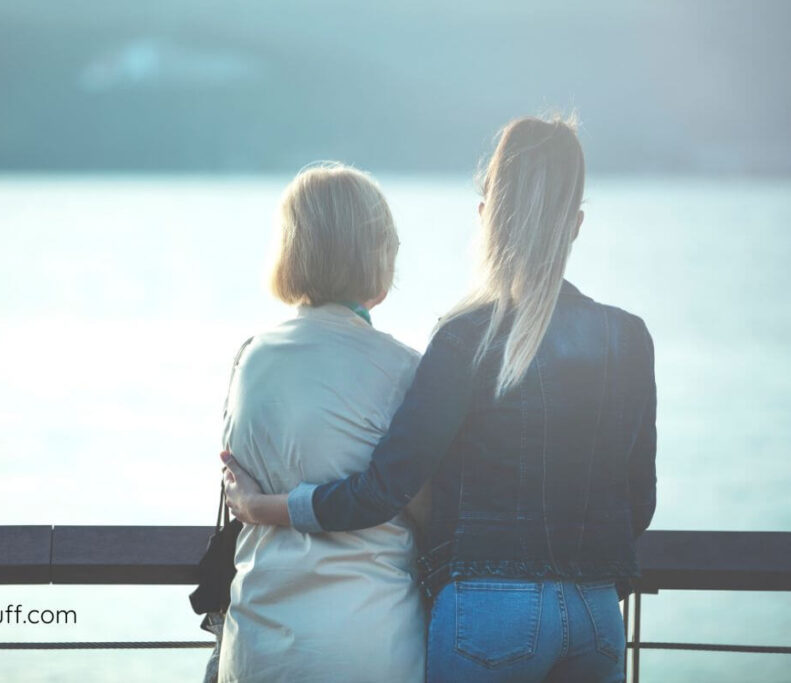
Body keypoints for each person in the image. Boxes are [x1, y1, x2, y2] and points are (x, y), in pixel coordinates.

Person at [222, 116, 657, 683]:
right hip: (596, 616)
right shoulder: (628, 337)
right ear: (575, 225)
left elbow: (384, 489)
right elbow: (638, 504)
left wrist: (261, 508)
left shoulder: (462, 337)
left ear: (486, 218)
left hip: (485, 617)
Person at [215, 162, 428, 682]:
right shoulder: (403, 370)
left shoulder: (250, 360)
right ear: (377, 252)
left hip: (257, 642)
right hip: (368, 640)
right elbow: (428, 509)